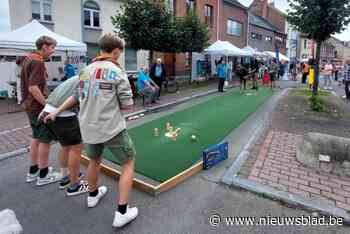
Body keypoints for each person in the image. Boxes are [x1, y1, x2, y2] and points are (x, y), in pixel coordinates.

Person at [78, 33, 138, 227]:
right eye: (119, 53)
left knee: (94, 160)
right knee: (128, 162)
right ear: (114, 51)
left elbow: (81, 97)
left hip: (88, 127)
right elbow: (127, 105)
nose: (119, 57)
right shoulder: (117, 71)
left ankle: (92, 195)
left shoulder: (84, 71)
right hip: (111, 127)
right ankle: (122, 212)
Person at [21, 35, 61, 185]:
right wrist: (47, 105)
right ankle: (43, 175)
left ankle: (33, 171)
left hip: (29, 106)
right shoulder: (38, 61)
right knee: (45, 140)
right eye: (52, 48)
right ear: (44, 46)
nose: (53, 51)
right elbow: (33, 88)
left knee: (36, 138)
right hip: (37, 107)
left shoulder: (29, 58)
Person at [38, 75, 88, 196]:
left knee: (66, 147)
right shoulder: (89, 78)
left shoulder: (78, 77)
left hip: (47, 111)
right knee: (76, 148)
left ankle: (65, 177)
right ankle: (74, 186)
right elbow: (75, 98)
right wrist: (57, 112)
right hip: (61, 114)